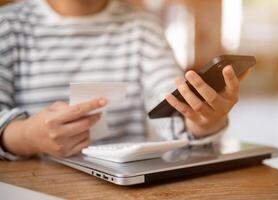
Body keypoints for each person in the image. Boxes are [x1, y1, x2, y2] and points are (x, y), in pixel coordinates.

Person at [0, 0, 241, 160]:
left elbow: (171, 108)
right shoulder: (7, 25)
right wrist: (26, 137)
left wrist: (200, 123)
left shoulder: (143, 29)